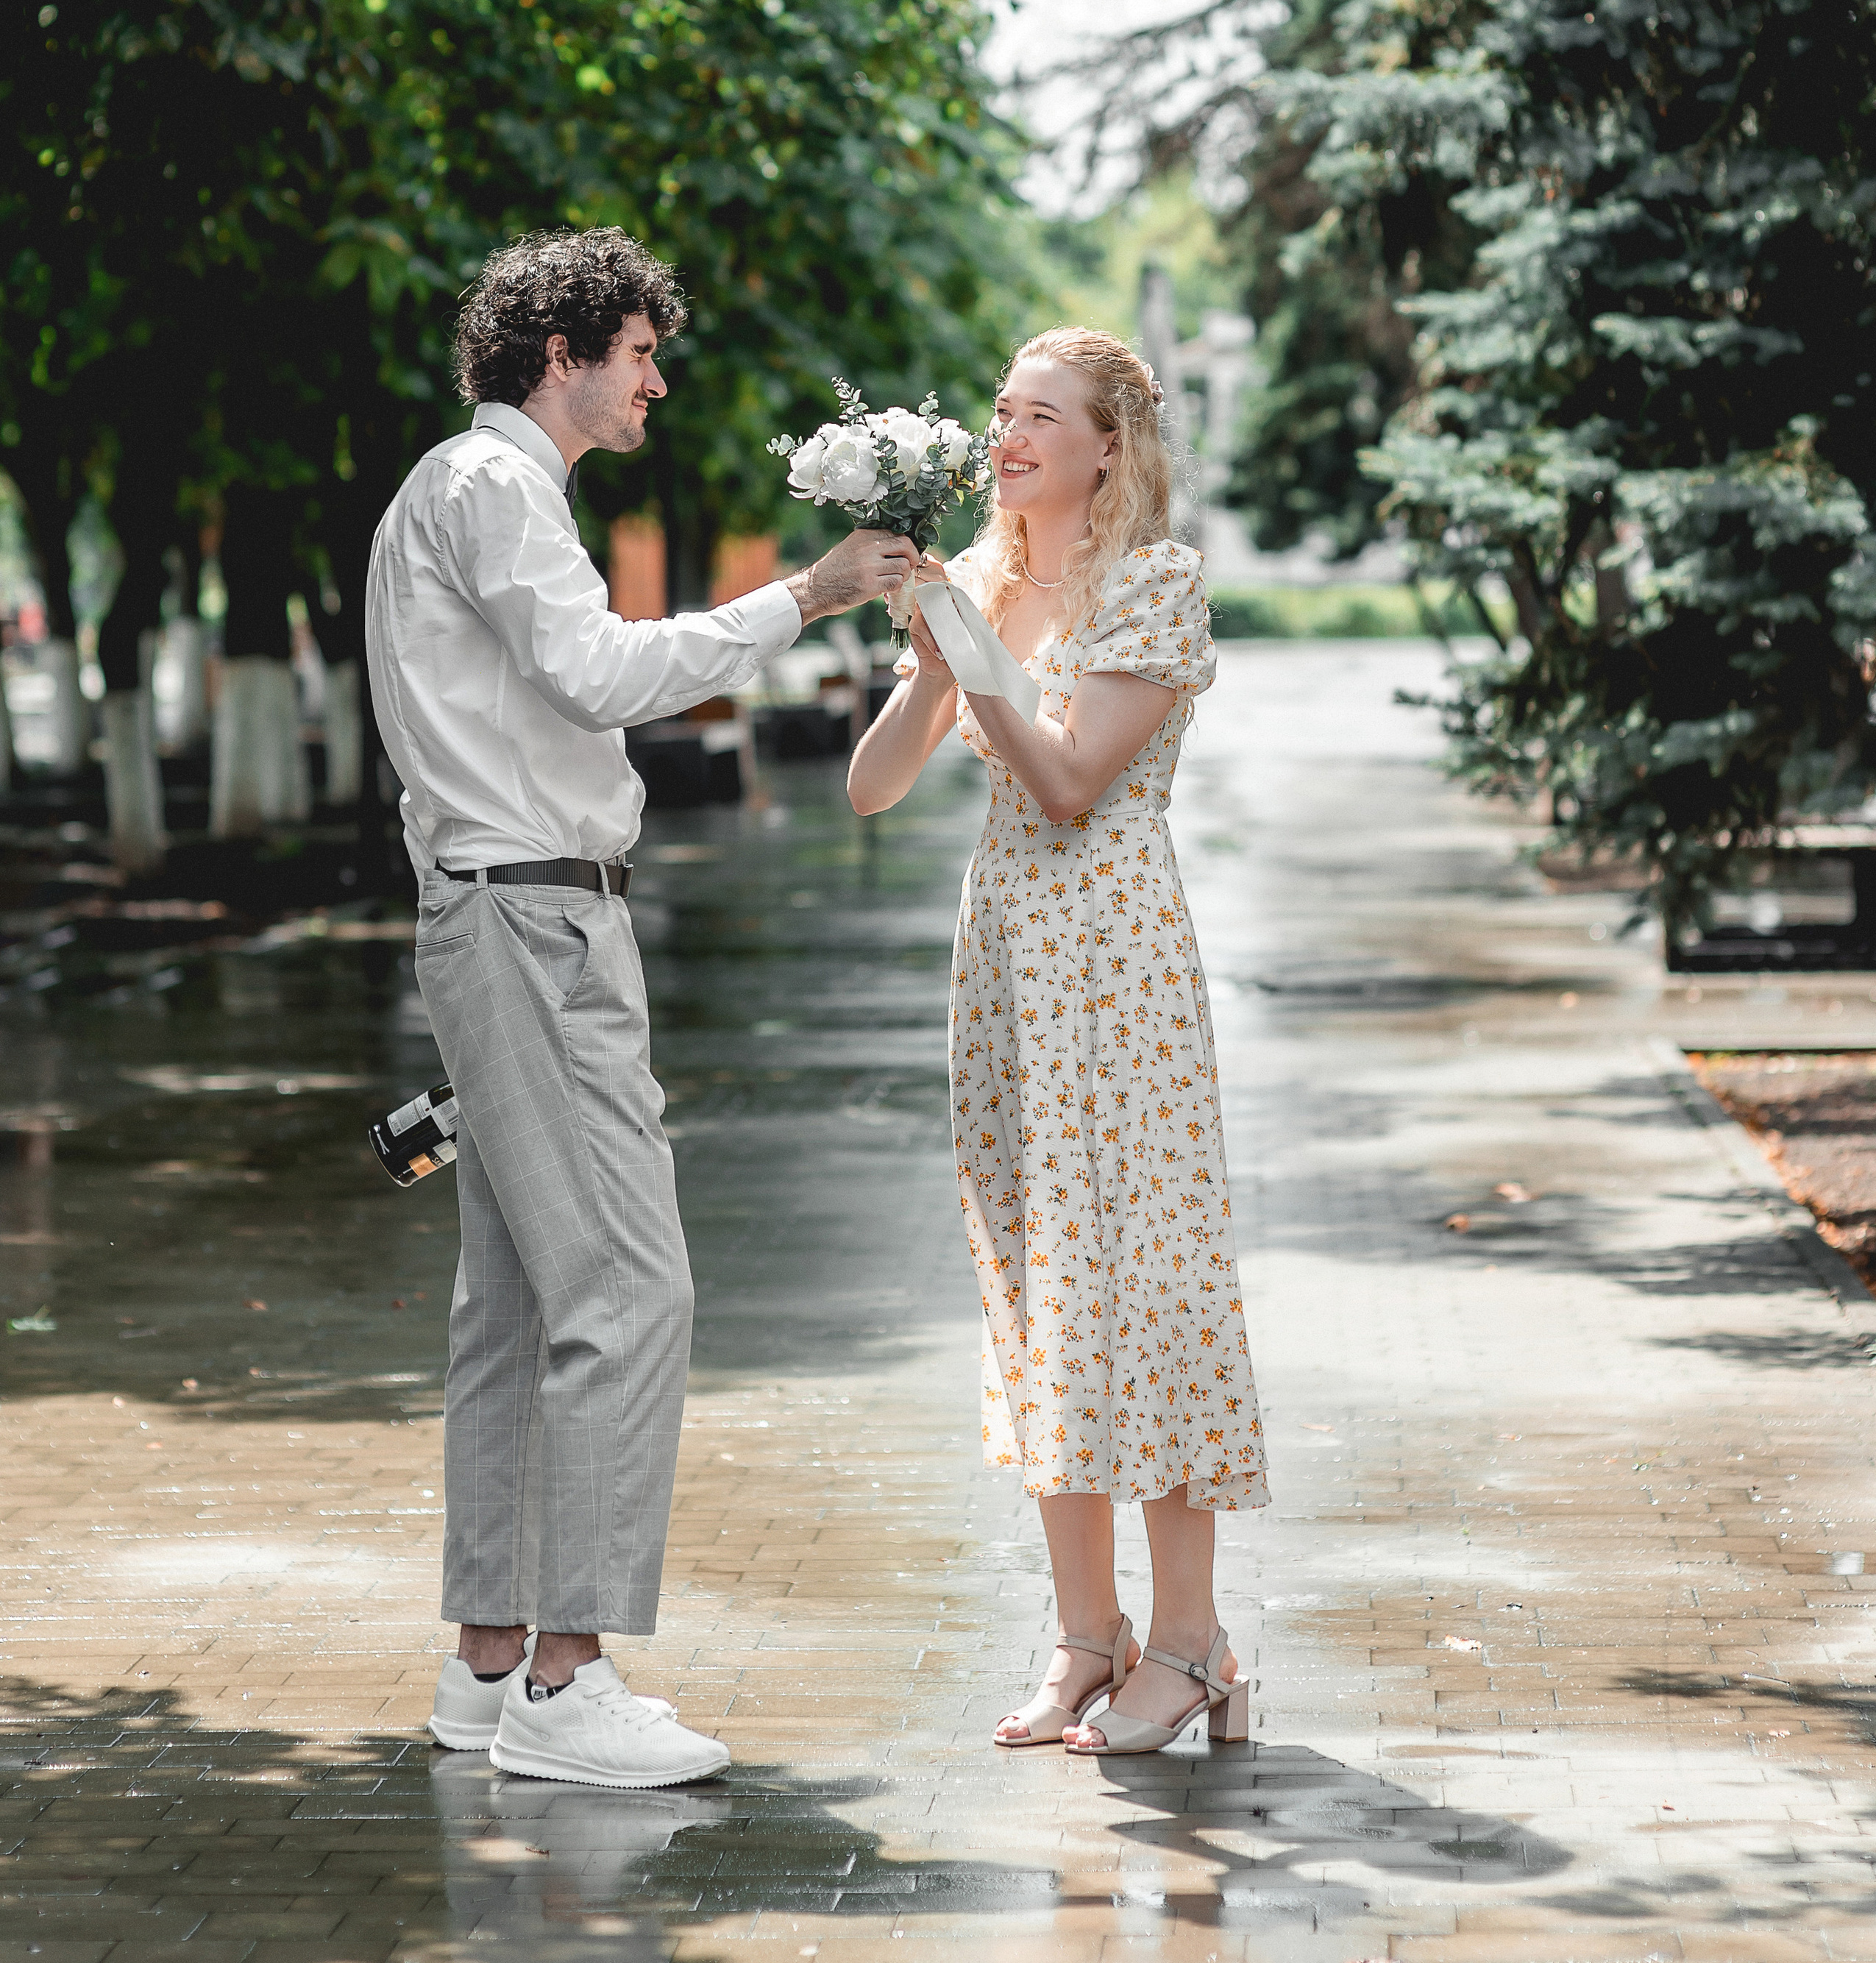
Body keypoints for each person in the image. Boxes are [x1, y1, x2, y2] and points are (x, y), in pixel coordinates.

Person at [366, 228, 917, 1790]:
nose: (657, 379)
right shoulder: (486, 490)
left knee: (523, 1304)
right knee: (631, 1291)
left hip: (504, 919)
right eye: (639, 354)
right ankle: (567, 1681)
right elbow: (600, 674)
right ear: (563, 356)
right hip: (533, 924)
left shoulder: (473, 495)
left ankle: (490, 1669)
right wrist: (797, 598)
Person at [847, 326, 1266, 1755]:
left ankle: (1194, 1642)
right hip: (1006, 965)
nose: (1009, 434)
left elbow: (1079, 782)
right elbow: (869, 788)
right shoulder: (974, 583)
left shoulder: (1152, 584)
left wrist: (983, 662)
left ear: (1106, 446)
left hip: (1116, 961)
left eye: (1043, 415)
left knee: (1141, 1284)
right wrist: (931, 663)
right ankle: (1088, 1638)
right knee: (1034, 1290)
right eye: (1001, 411)